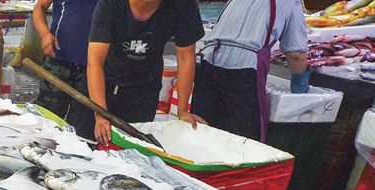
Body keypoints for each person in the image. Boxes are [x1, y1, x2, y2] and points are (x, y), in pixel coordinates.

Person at [86, 0, 204, 145]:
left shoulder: (183, 5)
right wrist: (100, 115)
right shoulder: (110, 4)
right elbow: (95, 63)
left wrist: (183, 111)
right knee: (91, 144)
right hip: (104, 85)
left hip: (145, 87)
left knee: (135, 150)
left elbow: (186, 58)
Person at [191, 0, 309, 142]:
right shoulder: (290, 2)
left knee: (202, 135)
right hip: (244, 70)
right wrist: (300, 82)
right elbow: (296, 54)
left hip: (208, 64)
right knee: (242, 142)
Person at [33, 0, 98, 139]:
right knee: (46, 117)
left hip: (93, 67)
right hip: (58, 58)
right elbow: (40, 6)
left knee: (81, 125)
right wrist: (45, 34)